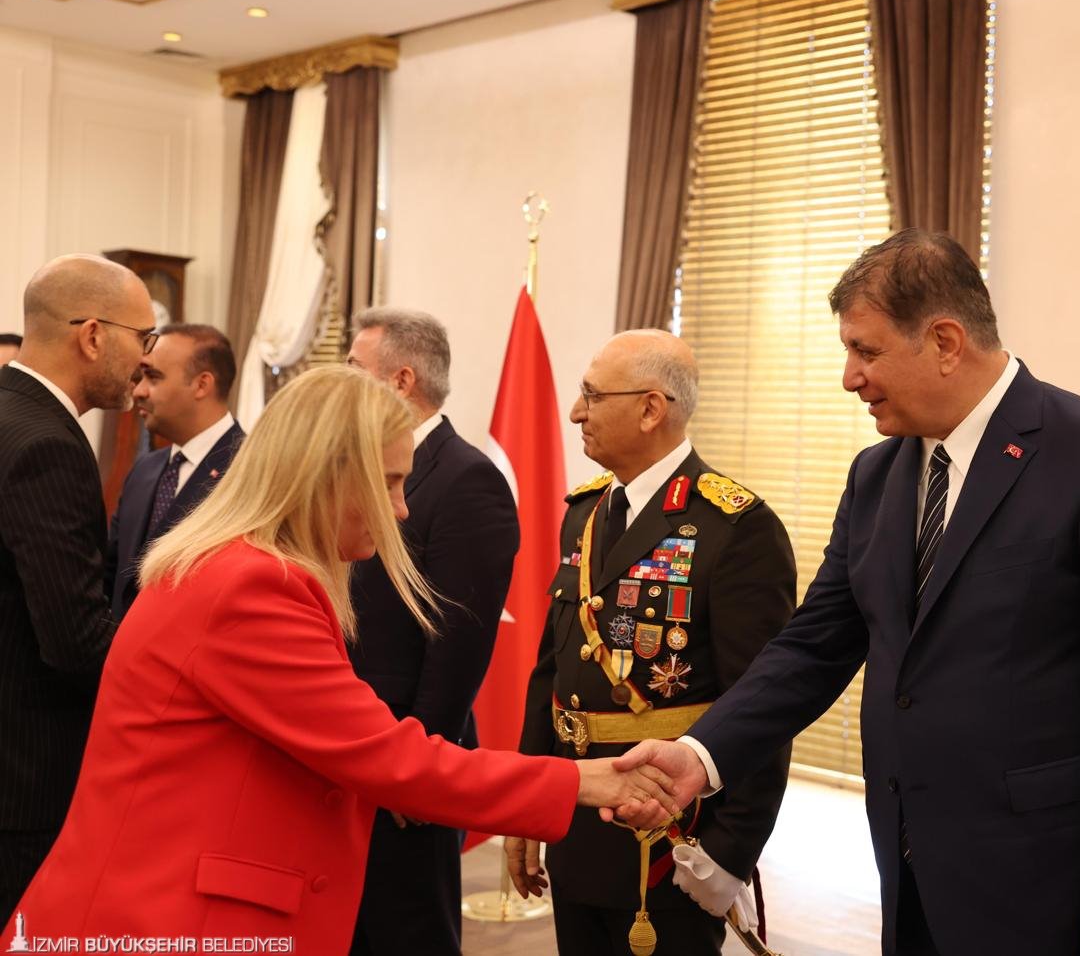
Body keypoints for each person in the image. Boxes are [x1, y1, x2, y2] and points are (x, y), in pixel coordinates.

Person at [620, 231, 1080, 956]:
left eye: (865, 351)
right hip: (910, 871)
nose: (850, 377)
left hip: (1051, 886)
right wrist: (701, 754)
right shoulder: (877, 475)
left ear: (944, 342)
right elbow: (813, 646)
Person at [1, 367, 677, 953]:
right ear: (326, 476)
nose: (401, 509)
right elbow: (386, 757)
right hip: (166, 917)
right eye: (389, 483)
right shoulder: (248, 587)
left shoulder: (240, 567)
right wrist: (585, 781)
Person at [506, 330, 796, 955]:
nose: (576, 412)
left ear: (649, 409)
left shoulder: (734, 527)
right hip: (573, 819)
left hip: (669, 839)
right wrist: (527, 801)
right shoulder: (584, 511)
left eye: (592, 396)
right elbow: (553, 669)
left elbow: (765, 704)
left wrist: (728, 853)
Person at [341, 307, 519, 956]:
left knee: (408, 931)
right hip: (350, 743)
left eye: (354, 368)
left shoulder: (466, 478)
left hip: (408, 752)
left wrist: (417, 766)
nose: (342, 381)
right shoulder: (355, 462)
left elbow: (459, 645)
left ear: (401, 381)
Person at [0, 255, 153, 914]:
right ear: (92, 335)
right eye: (143, 337)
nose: (146, 359)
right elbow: (74, 640)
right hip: (25, 782)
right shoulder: (47, 444)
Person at [107, 323, 244, 618]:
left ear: (202, 385)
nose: (139, 391)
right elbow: (113, 573)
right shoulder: (144, 470)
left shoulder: (250, 472)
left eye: (153, 377)